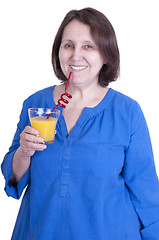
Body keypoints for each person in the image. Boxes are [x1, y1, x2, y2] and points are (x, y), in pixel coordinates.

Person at [1, 7, 159, 240]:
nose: (76, 55)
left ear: (105, 54)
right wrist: (24, 153)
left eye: (88, 46)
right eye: (68, 45)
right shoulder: (35, 104)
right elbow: (12, 179)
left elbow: (147, 193)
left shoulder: (128, 112)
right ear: (58, 51)